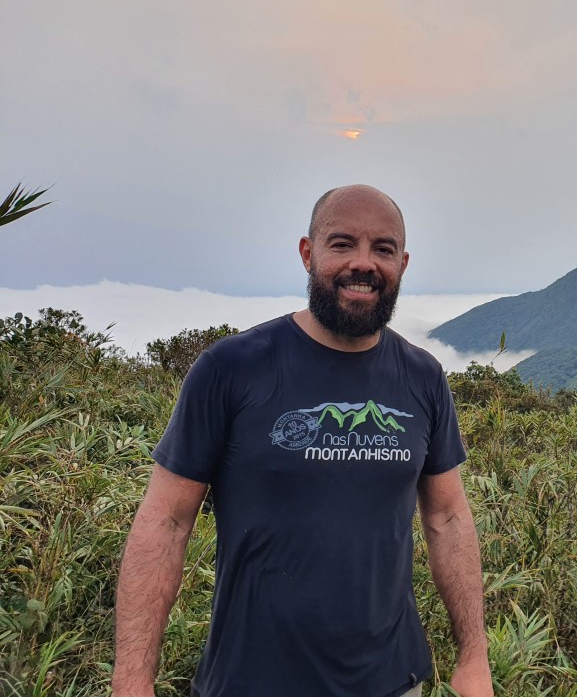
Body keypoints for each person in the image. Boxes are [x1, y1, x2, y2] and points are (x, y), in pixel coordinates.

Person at [112, 185, 493, 697]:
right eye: (342, 244)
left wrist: (474, 658)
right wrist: (132, 680)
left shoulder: (423, 377)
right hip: (250, 683)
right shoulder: (232, 368)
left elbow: (448, 518)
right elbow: (166, 521)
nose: (364, 263)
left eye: (382, 249)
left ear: (402, 263)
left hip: (392, 682)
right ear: (308, 254)